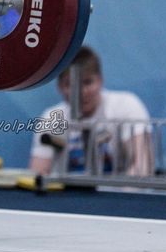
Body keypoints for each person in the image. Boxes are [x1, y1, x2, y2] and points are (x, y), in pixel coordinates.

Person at [29, 46, 152, 177]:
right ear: (60, 87)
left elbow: (142, 166)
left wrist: (124, 189)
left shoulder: (126, 105)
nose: (81, 92)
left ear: (100, 80)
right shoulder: (51, 118)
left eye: (87, 82)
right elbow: (37, 174)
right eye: (71, 85)